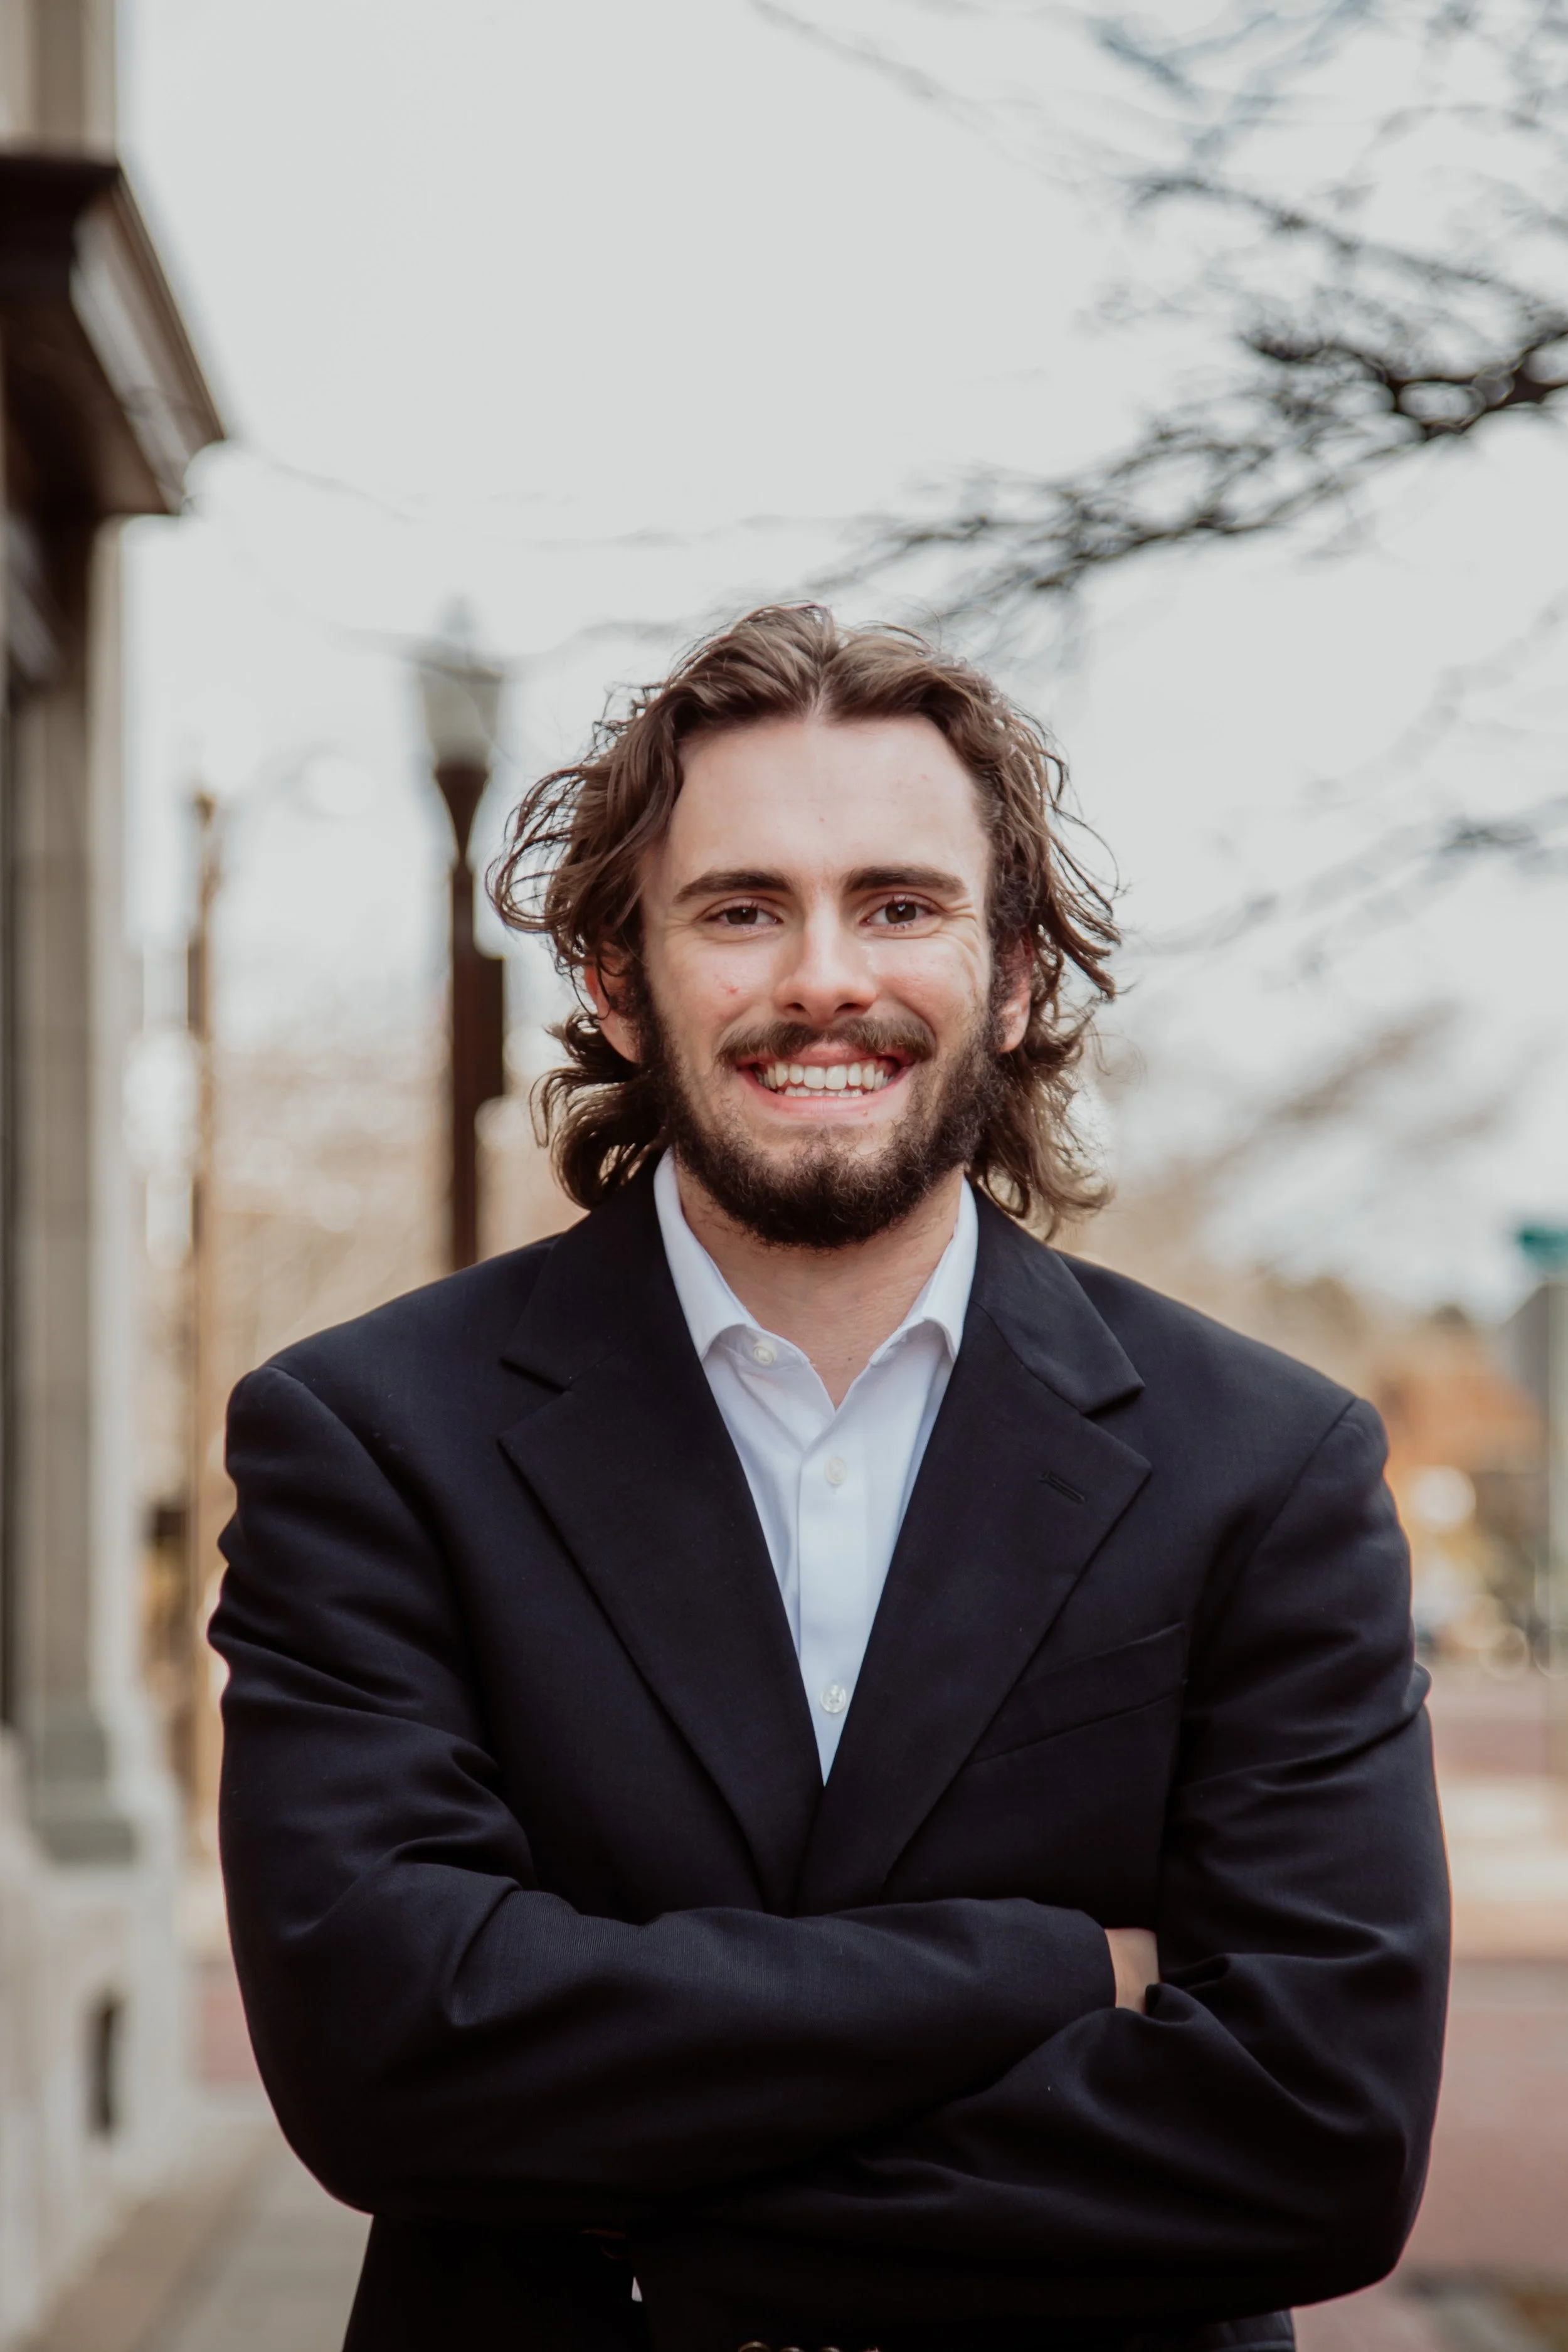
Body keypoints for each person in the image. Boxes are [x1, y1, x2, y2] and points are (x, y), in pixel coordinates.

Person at [211, 605, 1449, 2352]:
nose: (823, 979)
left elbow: (1317, 2134)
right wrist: (1045, 1968)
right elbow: (389, 2053)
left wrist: (650, 2232)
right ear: (618, 980)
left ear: (1013, 977)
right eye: (740, 909)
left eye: (898, 903)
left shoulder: (1266, 1462)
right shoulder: (365, 1435)